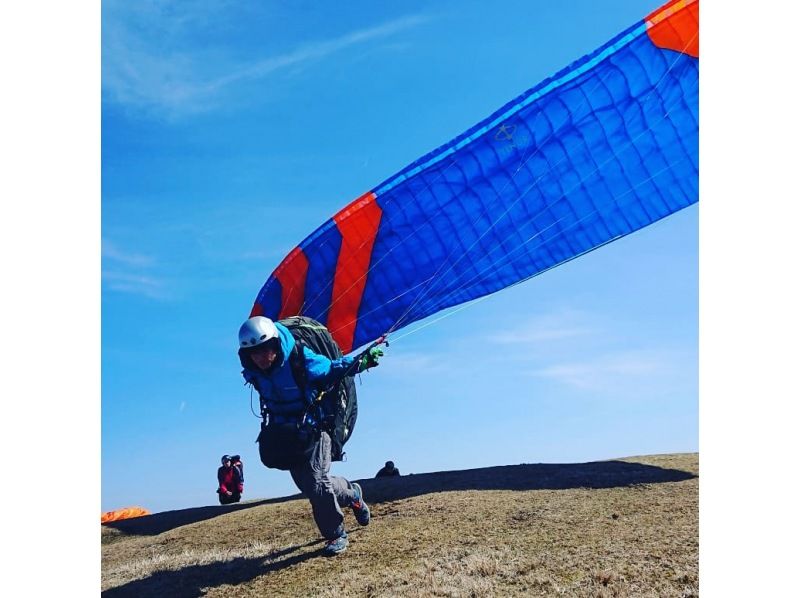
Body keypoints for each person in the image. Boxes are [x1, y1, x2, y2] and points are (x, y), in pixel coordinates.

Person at [238, 316, 383, 556]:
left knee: (316, 482)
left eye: (265, 350)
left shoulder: (300, 359)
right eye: (255, 353)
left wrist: (362, 362)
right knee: (312, 486)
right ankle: (353, 493)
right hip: (290, 436)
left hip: (316, 427)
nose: (261, 358)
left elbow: (333, 368)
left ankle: (335, 534)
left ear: (275, 344)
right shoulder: (253, 372)